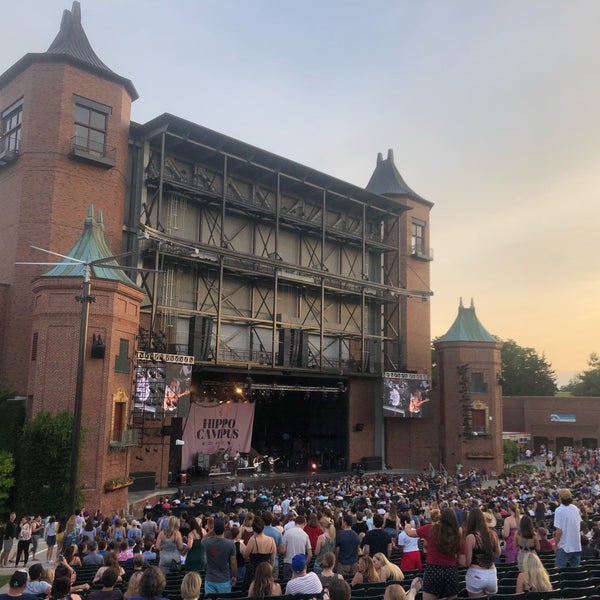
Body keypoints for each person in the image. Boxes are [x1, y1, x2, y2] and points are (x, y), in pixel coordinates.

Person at [404, 508, 462, 600]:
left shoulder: (430, 528)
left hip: (433, 571)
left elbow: (410, 533)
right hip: (451, 571)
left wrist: (407, 526)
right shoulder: (458, 532)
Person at [463, 507, 501, 598]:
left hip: (476, 575)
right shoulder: (493, 534)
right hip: (491, 574)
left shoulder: (470, 537)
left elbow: (468, 562)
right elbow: (498, 553)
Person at [201, 519, 237, 594]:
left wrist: (211, 531)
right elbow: (233, 563)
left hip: (210, 579)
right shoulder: (230, 544)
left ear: (214, 529)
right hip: (224, 580)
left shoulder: (207, 542)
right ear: (224, 529)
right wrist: (234, 575)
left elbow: (202, 539)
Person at [242, 515, 276, 590]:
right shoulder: (271, 540)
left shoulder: (252, 540)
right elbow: (272, 559)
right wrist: (270, 570)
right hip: (266, 571)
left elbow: (245, 555)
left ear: (253, 528)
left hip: (253, 571)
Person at [553, 488, 582, 568]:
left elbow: (559, 531)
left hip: (565, 546)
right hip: (576, 545)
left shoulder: (559, 510)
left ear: (560, 498)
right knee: (575, 574)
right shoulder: (575, 508)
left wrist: (555, 544)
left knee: (558, 571)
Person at [282, 516, 311, 581]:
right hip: (301, 565)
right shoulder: (305, 535)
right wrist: (305, 563)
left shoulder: (287, 533)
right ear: (304, 523)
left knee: (287, 584)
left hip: (288, 562)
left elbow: (283, 550)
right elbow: (310, 554)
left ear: (295, 522)